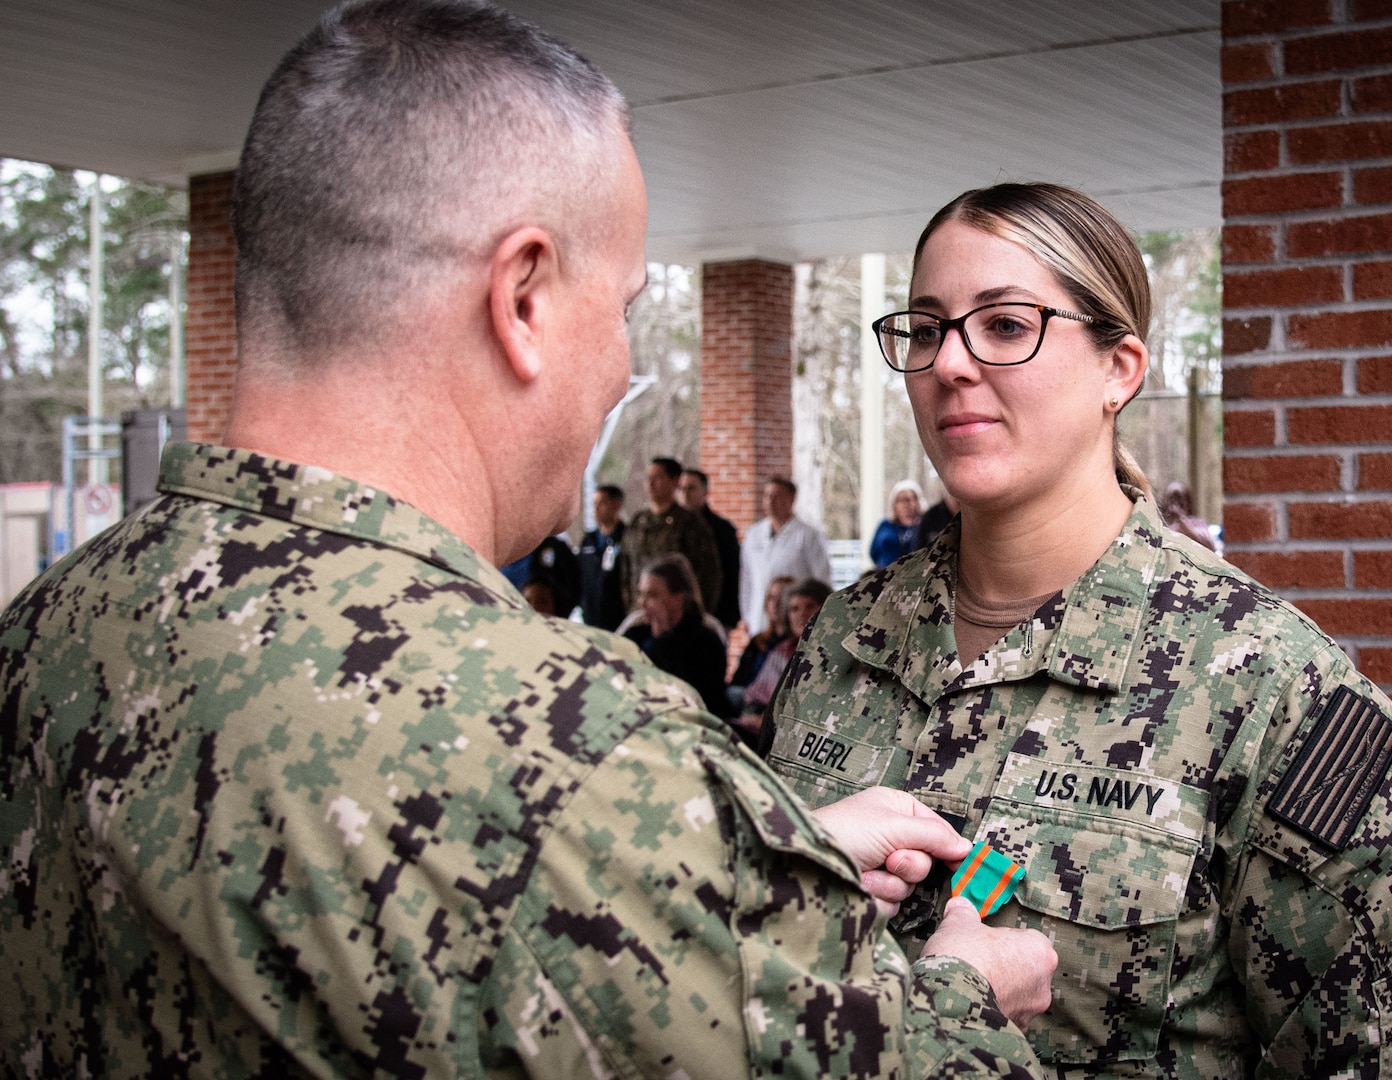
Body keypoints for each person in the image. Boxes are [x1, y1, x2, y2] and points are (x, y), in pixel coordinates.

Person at [0, 8, 1059, 1077]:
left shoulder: (45, 635)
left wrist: (737, 864)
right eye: (625, 309)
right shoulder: (574, 744)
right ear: (521, 299)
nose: (616, 370)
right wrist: (964, 994)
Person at [760, 182, 1392, 1078]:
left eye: (1004, 324)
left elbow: (1362, 1062)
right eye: (925, 329)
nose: (950, 364)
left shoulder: (1275, 686)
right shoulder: (848, 632)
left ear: (1120, 368)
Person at [621, 553, 730, 718]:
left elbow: (693, 696)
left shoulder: (706, 640)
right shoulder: (636, 632)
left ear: (678, 599)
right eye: (641, 594)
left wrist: (662, 639)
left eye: (652, 595)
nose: (642, 603)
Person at [619, 457, 723, 617]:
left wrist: (697, 613)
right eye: (648, 478)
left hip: (677, 615)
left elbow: (708, 573)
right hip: (640, 613)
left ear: (675, 481)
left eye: (657, 478)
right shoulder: (638, 522)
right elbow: (625, 569)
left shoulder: (689, 523)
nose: (650, 484)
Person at [737, 578, 833, 742]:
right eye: (794, 609)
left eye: (809, 606)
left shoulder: (836, 650)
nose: (802, 614)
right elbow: (756, 697)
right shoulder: (782, 651)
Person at [739, 475, 832, 635]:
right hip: (759, 618)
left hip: (794, 619)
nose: (771, 501)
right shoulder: (753, 534)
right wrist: (747, 615)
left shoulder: (808, 535)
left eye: (777, 496)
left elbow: (821, 579)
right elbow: (747, 579)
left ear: (792, 498)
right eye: (767, 496)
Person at [676, 467, 742, 630]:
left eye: (691, 488)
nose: (685, 494)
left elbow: (732, 573)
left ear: (705, 491)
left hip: (714, 612)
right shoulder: (672, 527)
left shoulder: (722, 529)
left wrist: (728, 619)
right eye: (681, 489)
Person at [727, 572, 796, 715]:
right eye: (771, 598)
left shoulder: (795, 644)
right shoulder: (758, 641)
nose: (776, 604)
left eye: (781, 598)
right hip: (751, 697)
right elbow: (738, 680)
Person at [578, 482, 627, 629]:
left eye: (602, 503)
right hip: (590, 617)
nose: (596, 509)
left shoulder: (626, 538)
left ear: (616, 505)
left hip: (617, 618)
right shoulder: (588, 541)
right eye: (594, 504)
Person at [869, 479, 924, 568]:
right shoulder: (885, 525)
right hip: (885, 576)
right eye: (900, 500)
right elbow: (873, 553)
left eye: (908, 499)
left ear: (917, 502)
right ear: (894, 504)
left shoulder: (923, 525)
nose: (905, 504)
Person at [1159, 479, 1219, 552]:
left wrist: (1181, 520)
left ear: (1187, 502)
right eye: (1171, 499)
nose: (1175, 504)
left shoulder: (1197, 524)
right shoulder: (1161, 526)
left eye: (1179, 498)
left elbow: (1210, 546)